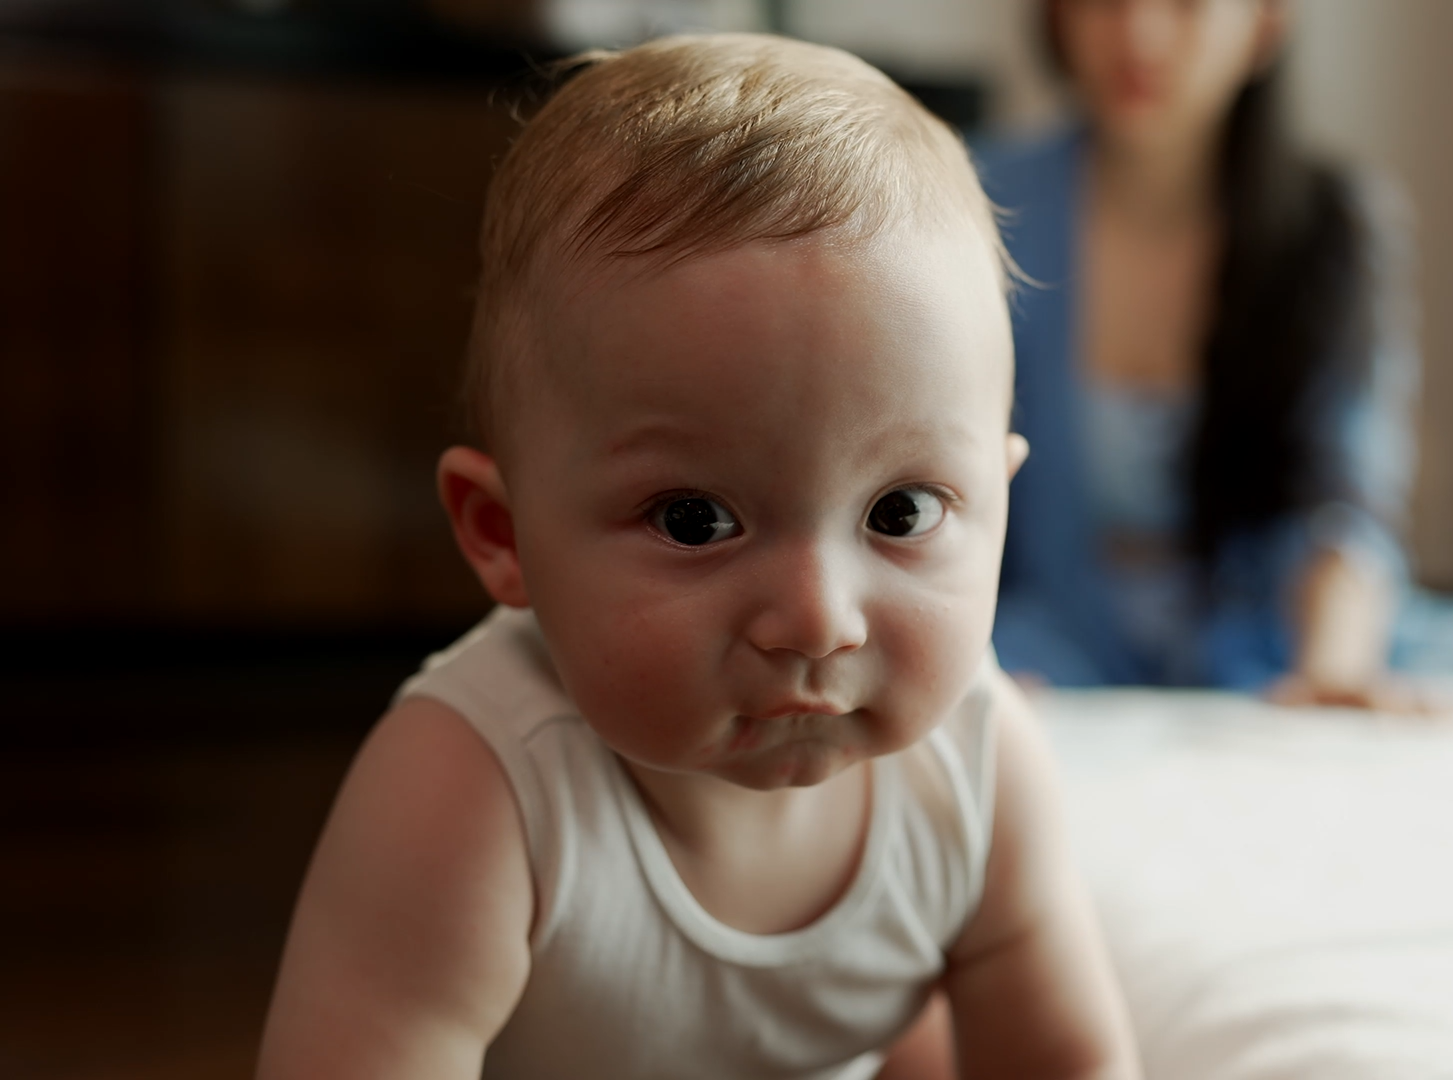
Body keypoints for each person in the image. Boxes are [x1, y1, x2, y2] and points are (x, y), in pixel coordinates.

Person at [257, 34, 1137, 1080]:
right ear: (503, 535)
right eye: (694, 521)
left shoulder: (981, 770)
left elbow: (1065, 1060)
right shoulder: (473, 793)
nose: (817, 619)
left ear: (1000, 499)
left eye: (900, 512)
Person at [977, 0, 1453, 706]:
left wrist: (1332, 670)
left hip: (1274, 637)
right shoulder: (981, 200)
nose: (1140, 34)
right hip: (1051, 641)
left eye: (1187, 5)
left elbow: (1347, 495)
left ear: (1265, 24)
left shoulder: (1334, 221)